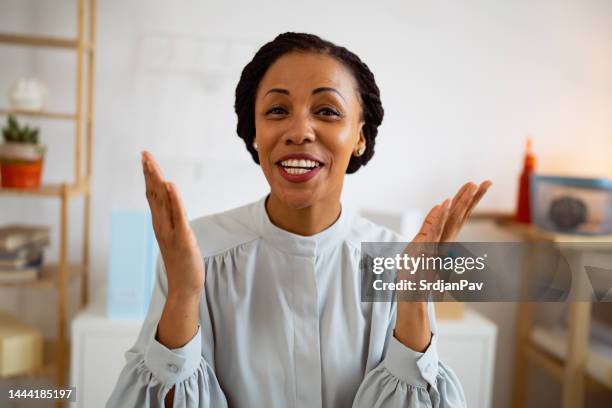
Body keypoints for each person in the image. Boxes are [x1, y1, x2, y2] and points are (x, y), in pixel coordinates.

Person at [106, 32, 491, 408]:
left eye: (326, 111)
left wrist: (413, 302)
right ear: (254, 132)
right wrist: (184, 295)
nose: (299, 132)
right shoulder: (196, 253)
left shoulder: (397, 264)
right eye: (277, 111)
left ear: (360, 135)